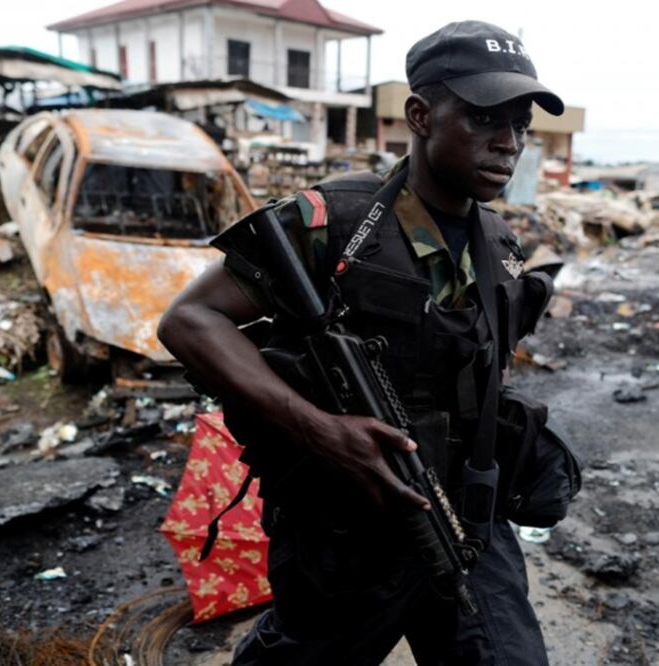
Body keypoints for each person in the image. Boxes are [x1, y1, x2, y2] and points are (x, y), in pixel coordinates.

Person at [159, 20, 565, 665]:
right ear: (421, 114)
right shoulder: (333, 222)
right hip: (347, 529)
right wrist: (319, 427)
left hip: (467, 521)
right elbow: (190, 321)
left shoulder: (500, 243)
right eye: (485, 117)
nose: (507, 142)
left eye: (520, 124)